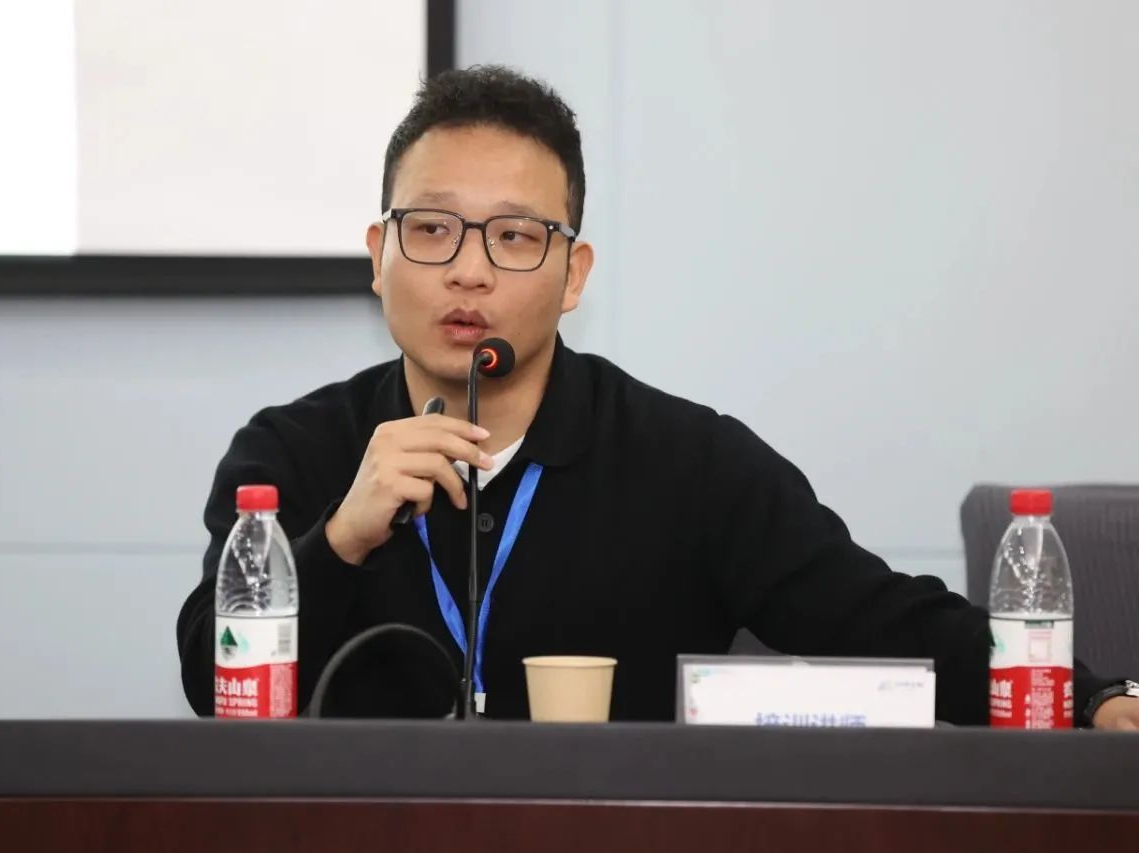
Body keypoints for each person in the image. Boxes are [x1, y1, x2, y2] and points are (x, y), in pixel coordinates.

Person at [177, 65, 1139, 729]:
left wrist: (1091, 696)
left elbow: (883, 618)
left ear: (574, 274)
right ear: (378, 256)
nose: (469, 271)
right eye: (431, 229)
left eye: (514, 236)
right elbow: (208, 685)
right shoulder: (292, 453)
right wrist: (340, 539)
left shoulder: (691, 463)